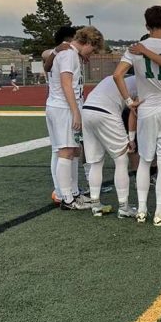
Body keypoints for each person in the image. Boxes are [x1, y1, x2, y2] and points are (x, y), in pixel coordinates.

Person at [114, 6, 161, 226]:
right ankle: (159, 212)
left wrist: (129, 101)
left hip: (146, 108)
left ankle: (141, 210)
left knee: (145, 161)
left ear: (146, 26)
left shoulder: (136, 48)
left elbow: (117, 75)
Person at [45, 26, 102, 211]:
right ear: (88, 42)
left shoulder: (67, 52)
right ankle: (67, 198)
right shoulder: (69, 54)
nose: (91, 54)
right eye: (92, 49)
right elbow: (66, 83)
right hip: (63, 108)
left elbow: (48, 65)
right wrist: (75, 111)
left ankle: (74, 193)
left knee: (73, 150)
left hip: (60, 106)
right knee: (66, 151)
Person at [81, 70, 138, 218]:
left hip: (87, 111)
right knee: (121, 159)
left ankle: (95, 204)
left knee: (96, 162)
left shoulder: (109, 78)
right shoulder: (141, 83)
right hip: (106, 112)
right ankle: (124, 207)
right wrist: (131, 138)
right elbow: (134, 112)